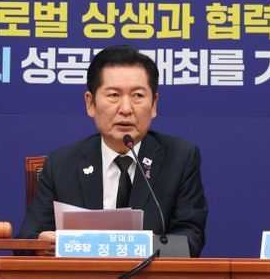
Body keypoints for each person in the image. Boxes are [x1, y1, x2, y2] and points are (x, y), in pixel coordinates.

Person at [17, 45, 208, 257]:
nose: (125, 109)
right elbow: (27, 240)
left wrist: (128, 247)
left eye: (138, 95)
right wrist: (42, 244)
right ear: (91, 103)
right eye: (114, 95)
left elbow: (190, 239)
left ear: (154, 104)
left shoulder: (180, 159)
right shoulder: (61, 164)